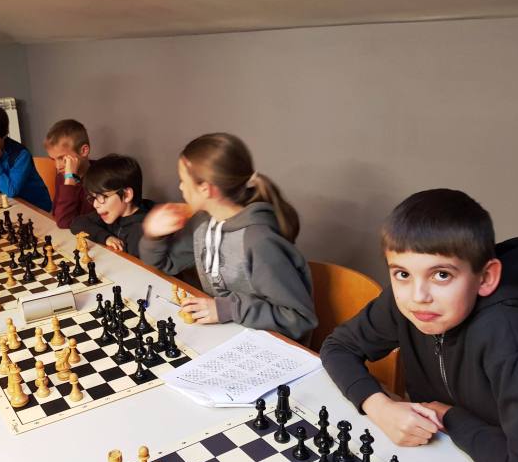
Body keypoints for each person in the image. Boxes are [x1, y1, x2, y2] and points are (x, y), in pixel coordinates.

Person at [320, 189, 518, 462]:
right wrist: (379, 406)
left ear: (486, 277)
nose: (418, 297)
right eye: (402, 274)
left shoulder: (509, 335)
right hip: (435, 461)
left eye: (441, 275)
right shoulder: (404, 303)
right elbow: (337, 346)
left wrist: (450, 417)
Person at [139, 133, 316, 341]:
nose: (180, 187)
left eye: (183, 181)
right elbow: (164, 266)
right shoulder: (203, 222)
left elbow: (299, 318)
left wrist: (227, 309)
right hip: (225, 334)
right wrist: (154, 236)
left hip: (268, 345)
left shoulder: (259, 241)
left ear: (205, 189)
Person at [0, 103, 51, 211]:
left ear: (4, 134)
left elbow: (11, 191)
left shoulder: (21, 155)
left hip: (36, 207)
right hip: (10, 205)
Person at [70, 154, 154, 257]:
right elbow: (77, 223)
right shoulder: (113, 214)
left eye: (102, 196)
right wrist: (106, 237)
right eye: (93, 197)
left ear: (127, 195)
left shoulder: (143, 232)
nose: (95, 204)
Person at [44, 118, 95, 228]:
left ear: (83, 151)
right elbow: (58, 216)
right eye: (53, 159)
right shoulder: (62, 177)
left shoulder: (101, 176)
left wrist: (70, 178)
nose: (57, 166)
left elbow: (64, 221)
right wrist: (69, 180)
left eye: (62, 158)